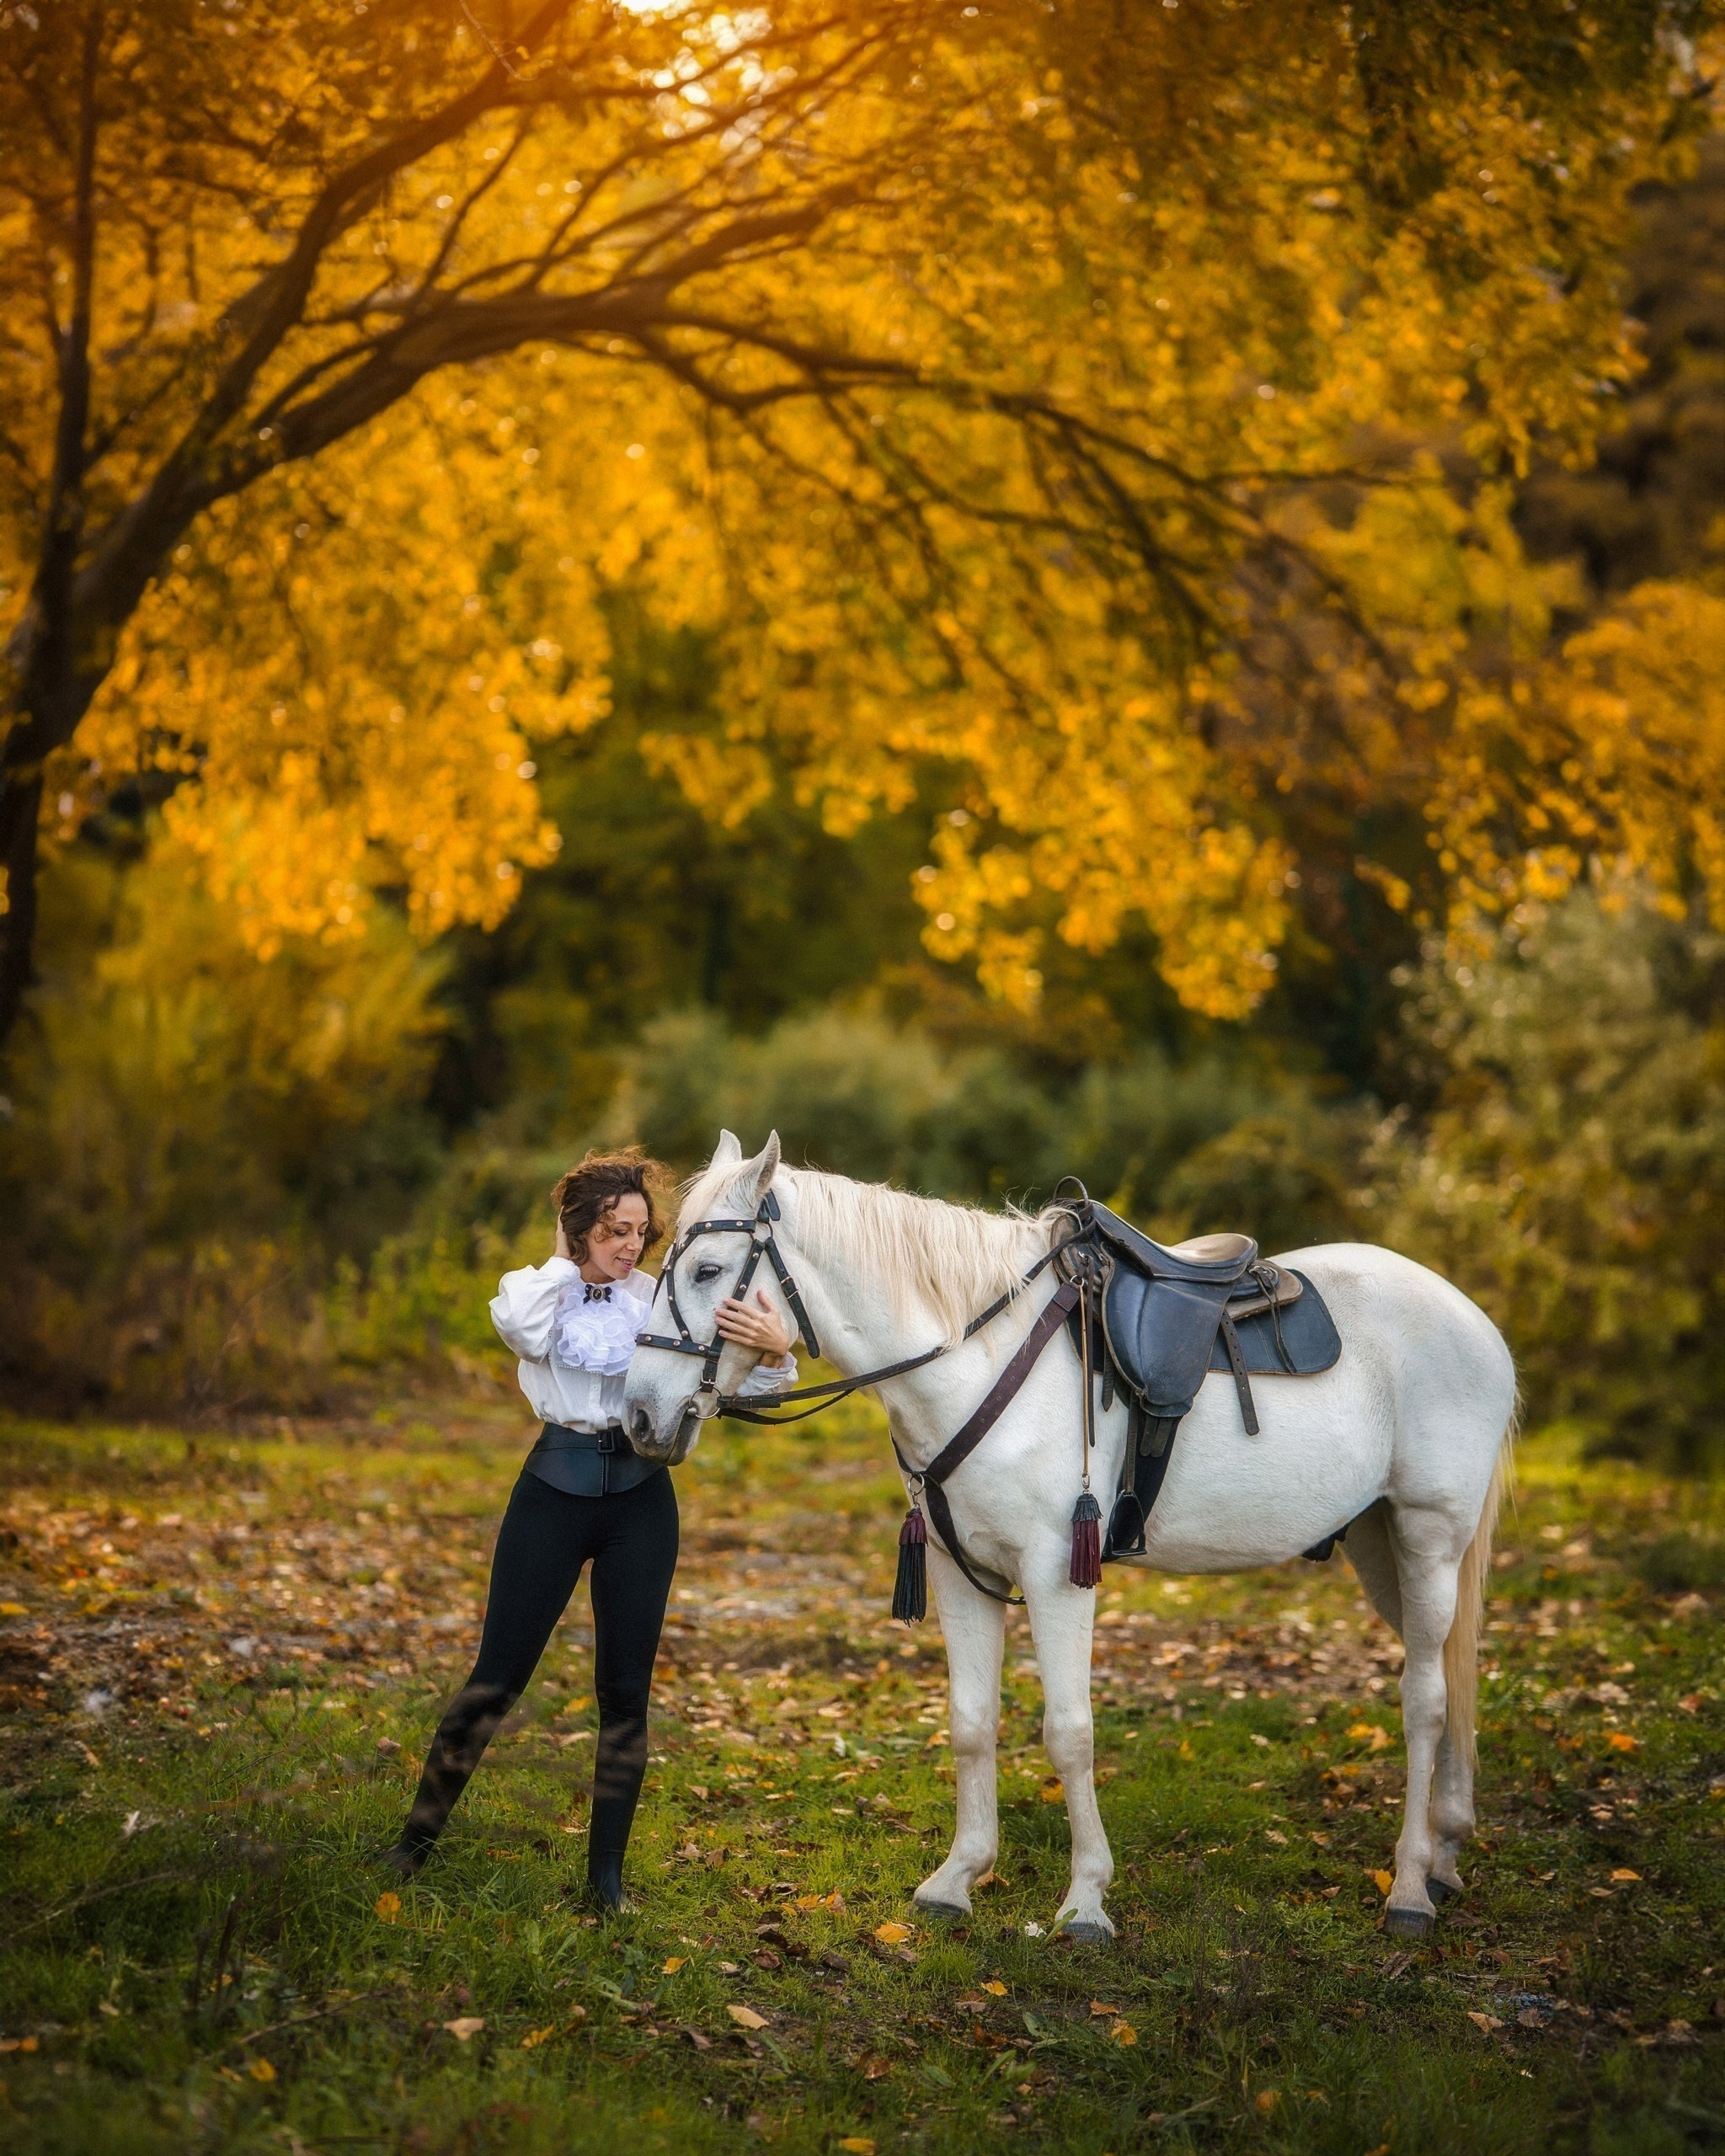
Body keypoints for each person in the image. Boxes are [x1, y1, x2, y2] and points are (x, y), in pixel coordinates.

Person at [383, 1147, 795, 1907]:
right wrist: (569, 1263)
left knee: (626, 1695)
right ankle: (413, 1846)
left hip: (642, 1501)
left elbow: (746, 1387)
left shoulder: (663, 1299)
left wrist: (774, 1351)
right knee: (495, 1680)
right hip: (552, 1493)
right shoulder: (538, 1291)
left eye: (639, 1230)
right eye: (613, 1231)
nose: (631, 1245)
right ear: (578, 1230)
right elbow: (523, 1330)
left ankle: (605, 1880)